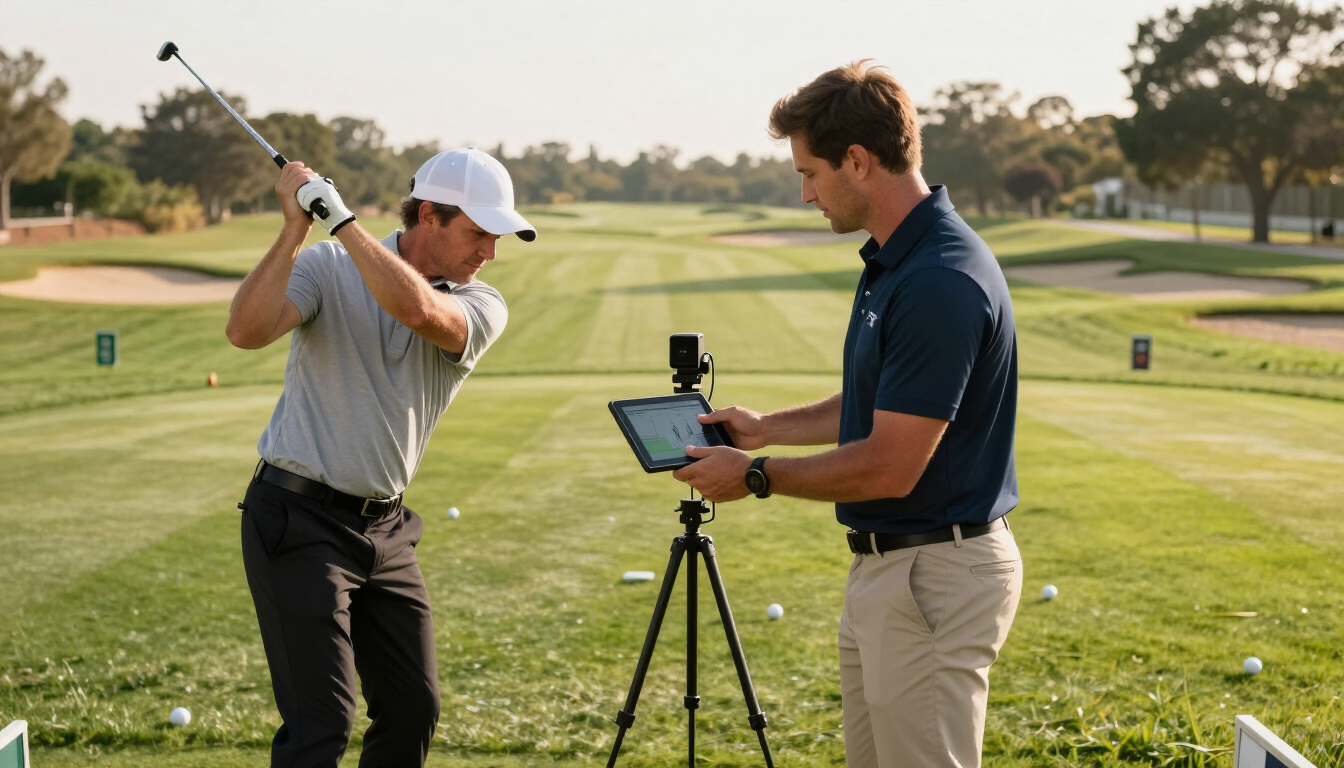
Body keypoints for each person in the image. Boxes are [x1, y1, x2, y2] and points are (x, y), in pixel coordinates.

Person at [672, 61, 1022, 768]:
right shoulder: (897, 261)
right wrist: (767, 427)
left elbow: (892, 465)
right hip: (894, 569)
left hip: (933, 572)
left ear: (857, 161)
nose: (805, 193)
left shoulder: (938, 278)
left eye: (810, 173)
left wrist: (757, 474)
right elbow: (885, 402)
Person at [226, 147, 535, 768]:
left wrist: (342, 222)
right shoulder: (327, 266)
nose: (490, 252)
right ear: (430, 215)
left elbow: (419, 311)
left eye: (497, 237)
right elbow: (246, 331)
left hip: (386, 531)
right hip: (296, 519)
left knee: (412, 708)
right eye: (479, 233)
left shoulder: (482, 304)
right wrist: (295, 229)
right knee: (321, 723)